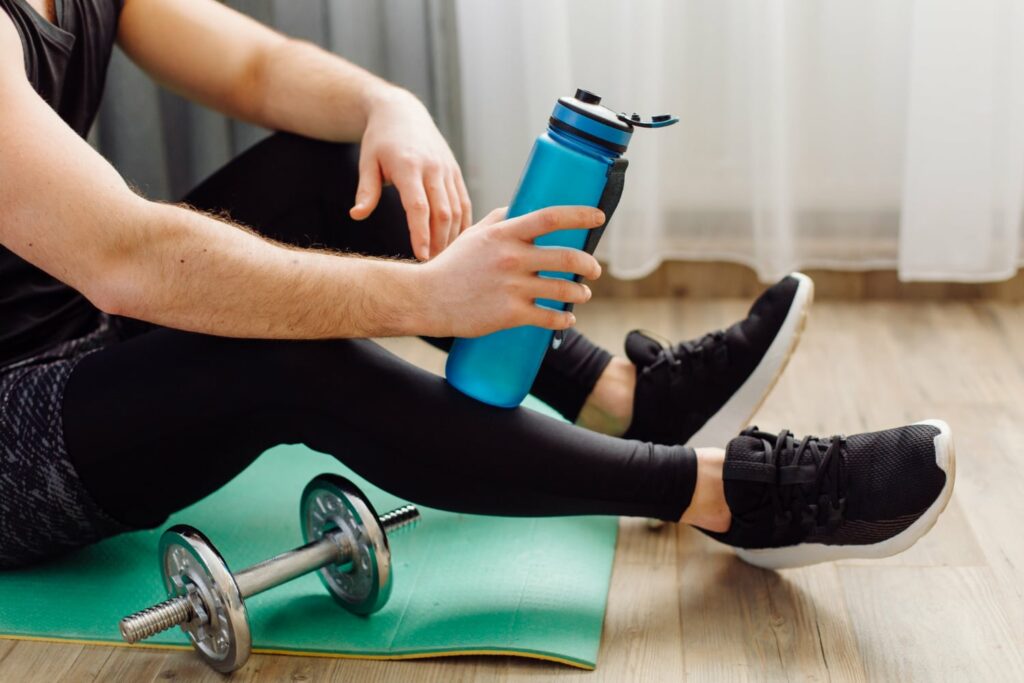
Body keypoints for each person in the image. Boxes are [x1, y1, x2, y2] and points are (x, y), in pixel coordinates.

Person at [0, 0, 954, 572]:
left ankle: (623, 400)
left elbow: (254, 65)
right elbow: (123, 257)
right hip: (17, 424)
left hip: (82, 332)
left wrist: (390, 107)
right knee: (285, 356)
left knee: (347, 169)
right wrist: (429, 297)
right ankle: (722, 494)